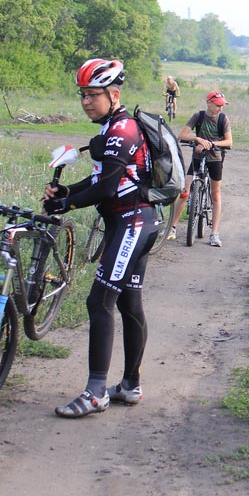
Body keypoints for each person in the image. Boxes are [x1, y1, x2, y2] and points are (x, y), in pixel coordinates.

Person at [42, 59, 157, 417]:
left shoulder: (122, 131)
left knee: (100, 301)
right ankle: (130, 385)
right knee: (129, 303)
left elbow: (106, 188)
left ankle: (95, 393)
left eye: (93, 94)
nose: (86, 102)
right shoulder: (112, 127)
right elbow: (101, 179)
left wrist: (67, 204)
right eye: (82, 95)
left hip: (131, 224)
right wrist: (67, 192)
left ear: (114, 95)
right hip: (134, 222)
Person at [168, 90, 233, 246]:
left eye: (222, 105)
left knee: (215, 194)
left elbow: (229, 142)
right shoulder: (199, 116)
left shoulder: (223, 119)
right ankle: (171, 228)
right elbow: (181, 135)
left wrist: (211, 144)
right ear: (209, 103)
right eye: (218, 105)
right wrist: (197, 139)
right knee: (185, 191)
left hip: (215, 159)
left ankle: (214, 234)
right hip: (197, 159)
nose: (220, 108)